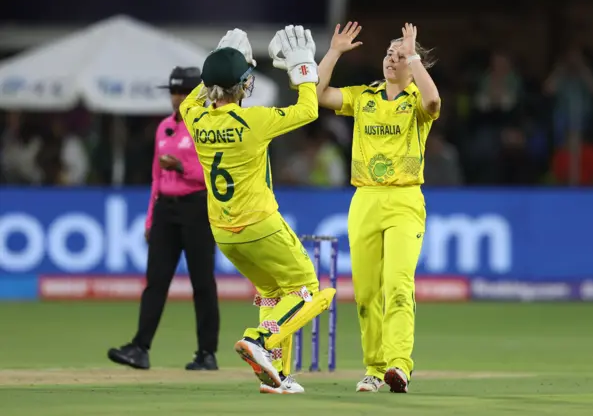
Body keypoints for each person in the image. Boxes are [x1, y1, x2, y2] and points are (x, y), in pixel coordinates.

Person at [180, 27, 335, 394]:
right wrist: (301, 68)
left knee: (271, 290)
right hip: (261, 224)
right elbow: (308, 109)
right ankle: (260, 340)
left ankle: (276, 375)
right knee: (308, 291)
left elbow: (197, 94)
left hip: (223, 232)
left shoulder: (193, 117)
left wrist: (220, 59)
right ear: (243, 85)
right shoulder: (254, 121)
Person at [316, 22, 441, 393]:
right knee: (367, 291)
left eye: (400, 55)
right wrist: (335, 51)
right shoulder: (364, 97)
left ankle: (399, 365)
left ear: (412, 63)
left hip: (404, 200)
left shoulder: (417, 101)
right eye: (389, 53)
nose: (392, 59)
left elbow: (433, 102)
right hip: (365, 199)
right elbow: (319, 94)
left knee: (398, 285)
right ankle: (374, 367)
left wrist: (414, 53)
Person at [108, 66, 221, 371]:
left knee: (202, 283)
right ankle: (140, 348)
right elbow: (157, 178)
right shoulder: (164, 128)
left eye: (183, 92)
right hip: (165, 210)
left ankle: (207, 354)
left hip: (197, 208)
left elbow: (213, 174)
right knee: (155, 281)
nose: (177, 98)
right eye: (174, 92)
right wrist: (149, 219)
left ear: (197, 93)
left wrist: (183, 168)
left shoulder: (208, 126)